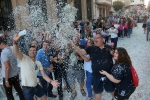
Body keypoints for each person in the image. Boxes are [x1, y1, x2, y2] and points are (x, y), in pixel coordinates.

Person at [13, 33, 60, 100]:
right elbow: (16, 52)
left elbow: (43, 75)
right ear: (28, 52)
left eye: (34, 50)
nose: (32, 51)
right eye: (31, 50)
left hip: (35, 86)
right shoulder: (24, 58)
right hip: (27, 88)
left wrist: (51, 82)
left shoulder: (38, 63)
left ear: (36, 52)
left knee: (44, 97)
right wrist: (15, 42)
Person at [72, 33, 115, 100]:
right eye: (94, 38)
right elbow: (81, 52)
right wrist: (74, 45)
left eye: (97, 38)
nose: (95, 40)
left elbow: (115, 57)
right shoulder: (91, 48)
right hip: (96, 75)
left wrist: (113, 54)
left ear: (102, 39)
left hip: (108, 74)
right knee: (97, 91)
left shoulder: (108, 47)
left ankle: (114, 98)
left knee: (111, 89)